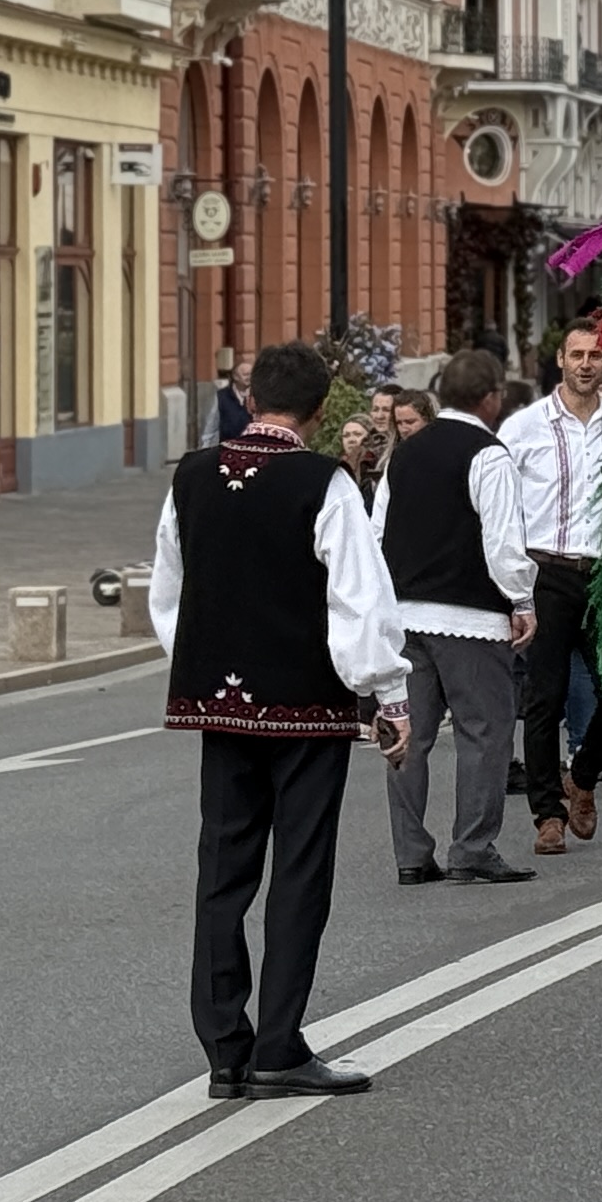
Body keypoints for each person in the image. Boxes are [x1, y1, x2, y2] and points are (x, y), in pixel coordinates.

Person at [152, 339, 412, 1099]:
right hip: (305, 704)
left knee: (222, 872)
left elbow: (171, 588)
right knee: (299, 871)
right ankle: (279, 1042)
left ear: (249, 396)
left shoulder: (193, 476)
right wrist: (385, 693)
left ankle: (224, 1049)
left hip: (219, 705)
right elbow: (359, 597)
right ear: (322, 408)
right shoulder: (321, 481)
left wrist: (205, 663)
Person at [378, 351, 538, 889]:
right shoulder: (487, 455)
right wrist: (521, 600)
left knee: (409, 735)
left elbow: (379, 534)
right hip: (468, 612)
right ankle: (472, 846)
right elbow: (502, 543)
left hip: (403, 613)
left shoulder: (402, 455)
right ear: (492, 397)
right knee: (485, 731)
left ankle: (410, 852)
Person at [502, 316, 602, 847]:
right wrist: (508, 575)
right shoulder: (525, 426)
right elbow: (498, 501)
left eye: (596, 356)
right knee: (546, 695)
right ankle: (548, 815)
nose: (587, 365)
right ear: (561, 360)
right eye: (578, 355)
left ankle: (582, 777)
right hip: (546, 570)